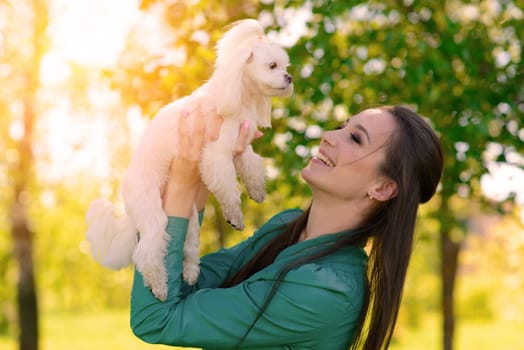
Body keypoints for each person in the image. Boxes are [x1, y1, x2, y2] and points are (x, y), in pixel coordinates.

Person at [129, 105, 444, 350]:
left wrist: (183, 186)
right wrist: (200, 172)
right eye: (342, 126)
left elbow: (156, 319)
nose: (329, 136)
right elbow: (185, 287)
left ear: (383, 188)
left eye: (355, 138)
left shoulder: (325, 290)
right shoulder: (286, 226)